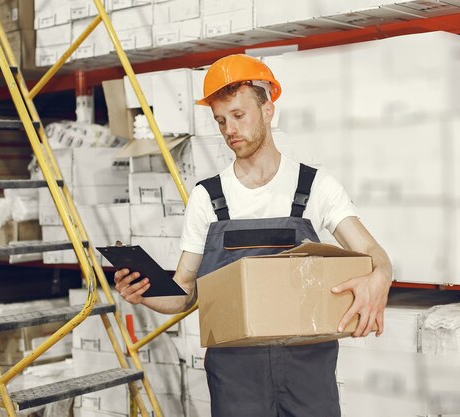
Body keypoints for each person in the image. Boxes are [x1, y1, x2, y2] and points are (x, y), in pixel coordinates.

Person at [115, 54, 392, 417]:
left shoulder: (314, 186)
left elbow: (371, 250)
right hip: (235, 376)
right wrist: (145, 294)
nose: (230, 129)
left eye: (238, 115)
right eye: (220, 120)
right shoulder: (208, 198)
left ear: (267, 110)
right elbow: (185, 293)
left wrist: (380, 277)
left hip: (307, 369)